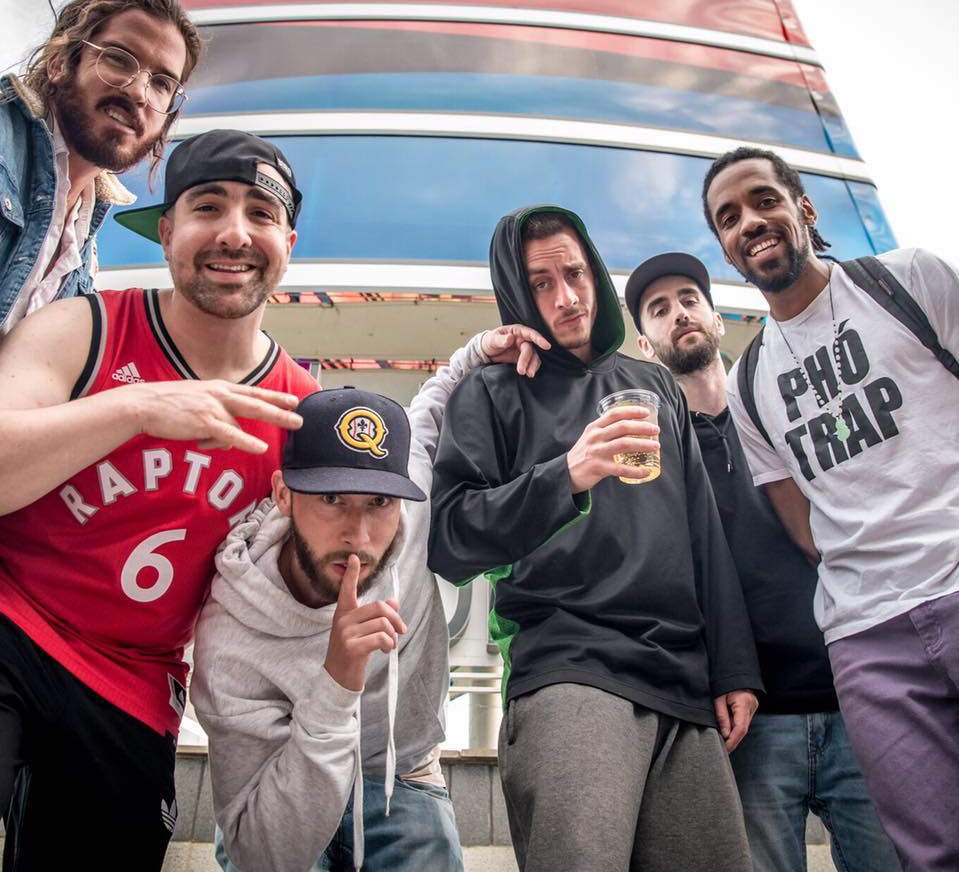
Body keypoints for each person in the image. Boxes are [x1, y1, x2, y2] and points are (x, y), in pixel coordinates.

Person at [0, 129, 318, 870]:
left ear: (289, 242)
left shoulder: (301, 413)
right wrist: (137, 407)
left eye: (261, 214)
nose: (235, 234)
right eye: (208, 207)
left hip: (134, 682)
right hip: (14, 622)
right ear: (168, 230)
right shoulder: (85, 327)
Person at [428, 205, 762, 872]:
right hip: (570, 669)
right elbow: (449, 535)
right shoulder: (492, 391)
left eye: (574, 273)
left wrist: (734, 668)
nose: (567, 296)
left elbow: (703, 534)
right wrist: (566, 475)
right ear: (517, 292)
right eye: (542, 283)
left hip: (681, 683)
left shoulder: (654, 385)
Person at [192, 325, 547, 872]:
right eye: (331, 497)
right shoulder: (231, 630)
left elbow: (432, 405)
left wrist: (480, 351)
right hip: (281, 782)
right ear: (284, 493)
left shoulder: (412, 507)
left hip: (399, 775)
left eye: (379, 500)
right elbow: (263, 853)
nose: (358, 533)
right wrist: (336, 682)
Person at [702, 146, 959, 872]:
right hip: (867, 639)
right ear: (723, 246)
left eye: (761, 200)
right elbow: (804, 525)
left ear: (803, 208)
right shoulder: (750, 381)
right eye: (728, 218)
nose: (749, 222)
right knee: (930, 853)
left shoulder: (908, 279)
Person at [627, 251, 900, 872]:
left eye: (689, 299)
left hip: (854, 694)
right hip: (751, 722)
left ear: (718, 318)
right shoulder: (657, 456)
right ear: (646, 343)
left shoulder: (784, 408)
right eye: (660, 309)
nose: (680, 314)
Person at [0, 0, 201, 334]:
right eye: (119, 59)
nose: (139, 92)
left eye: (162, 83)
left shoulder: (84, 253)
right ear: (60, 62)